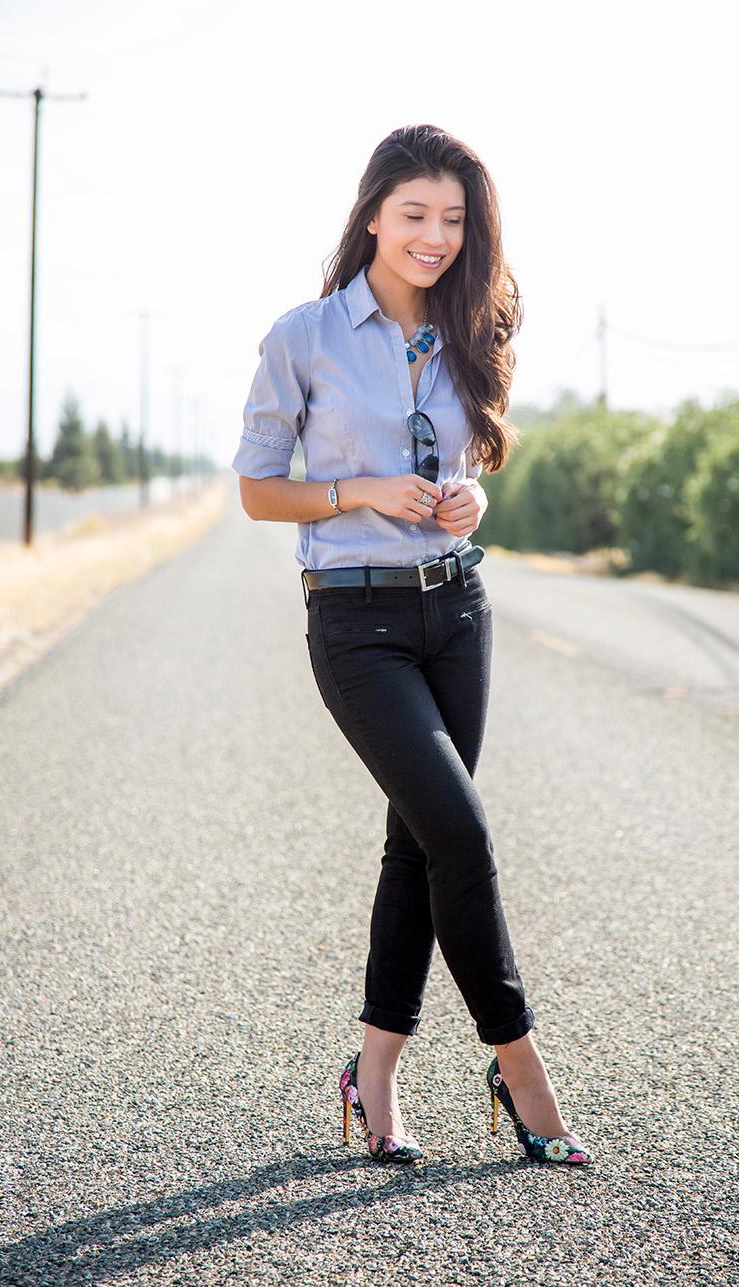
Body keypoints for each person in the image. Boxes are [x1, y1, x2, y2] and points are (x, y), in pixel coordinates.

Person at [231, 124, 592, 1167]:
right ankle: (520, 1068)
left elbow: (473, 459)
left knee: (420, 842)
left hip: (456, 612)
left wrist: (471, 497)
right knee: (464, 837)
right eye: (416, 215)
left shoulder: (470, 328)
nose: (435, 237)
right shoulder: (305, 335)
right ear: (374, 214)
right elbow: (258, 490)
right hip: (356, 619)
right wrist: (356, 491)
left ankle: (373, 1074)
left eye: (455, 220)